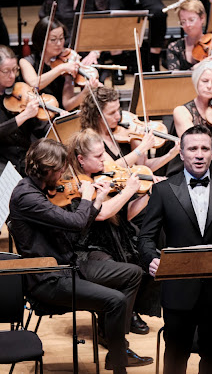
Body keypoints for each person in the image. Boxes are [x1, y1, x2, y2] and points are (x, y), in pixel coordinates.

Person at [9, 138, 153, 372]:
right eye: (60, 170)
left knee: (133, 274)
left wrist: (96, 199)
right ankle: (119, 362)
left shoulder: (41, 189)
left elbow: (78, 226)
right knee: (115, 300)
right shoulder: (27, 197)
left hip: (68, 265)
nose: (64, 174)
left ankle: (115, 343)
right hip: (50, 279)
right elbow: (76, 223)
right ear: (48, 170)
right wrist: (86, 196)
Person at [138, 125, 212, 374]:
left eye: (205, 148)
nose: (199, 154)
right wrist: (151, 259)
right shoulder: (162, 190)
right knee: (176, 360)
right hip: (178, 293)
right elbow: (146, 238)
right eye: (192, 149)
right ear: (181, 153)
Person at [68, 128, 159, 334]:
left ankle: (130, 311)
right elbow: (102, 213)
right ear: (81, 159)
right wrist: (129, 190)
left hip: (114, 237)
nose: (105, 160)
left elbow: (125, 215)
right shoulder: (78, 184)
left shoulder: (103, 175)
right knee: (122, 265)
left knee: (150, 257)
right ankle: (113, 325)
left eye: (104, 154)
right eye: (98, 156)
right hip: (88, 246)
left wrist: (148, 194)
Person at [0, 45, 49, 188]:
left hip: (24, 157)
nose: (12, 75)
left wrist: (54, 119)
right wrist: (24, 115)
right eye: (6, 71)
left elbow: (40, 128)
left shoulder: (23, 91)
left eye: (15, 70)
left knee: (52, 179)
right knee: (13, 190)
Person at [79, 86, 180, 173]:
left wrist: (171, 154)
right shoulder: (90, 139)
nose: (118, 116)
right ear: (98, 115)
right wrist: (142, 148)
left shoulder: (127, 131)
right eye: (111, 113)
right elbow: (112, 168)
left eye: (118, 109)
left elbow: (145, 167)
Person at [20, 17, 100, 111]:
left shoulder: (67, 63)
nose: (59, 43)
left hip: (60, 115)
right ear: (41, 40)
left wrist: (85, 92)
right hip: (36, 117)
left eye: (61, 38)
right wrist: (61, 68)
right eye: (53, 39)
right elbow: (34, 84)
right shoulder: (26, 62)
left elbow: (67, 105)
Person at [165, 0, 212, 84]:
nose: (188, 25)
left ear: (202, 18)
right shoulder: (174, 48)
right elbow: (174, 82)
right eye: (183, 22)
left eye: (191, 20)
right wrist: (198, 67)